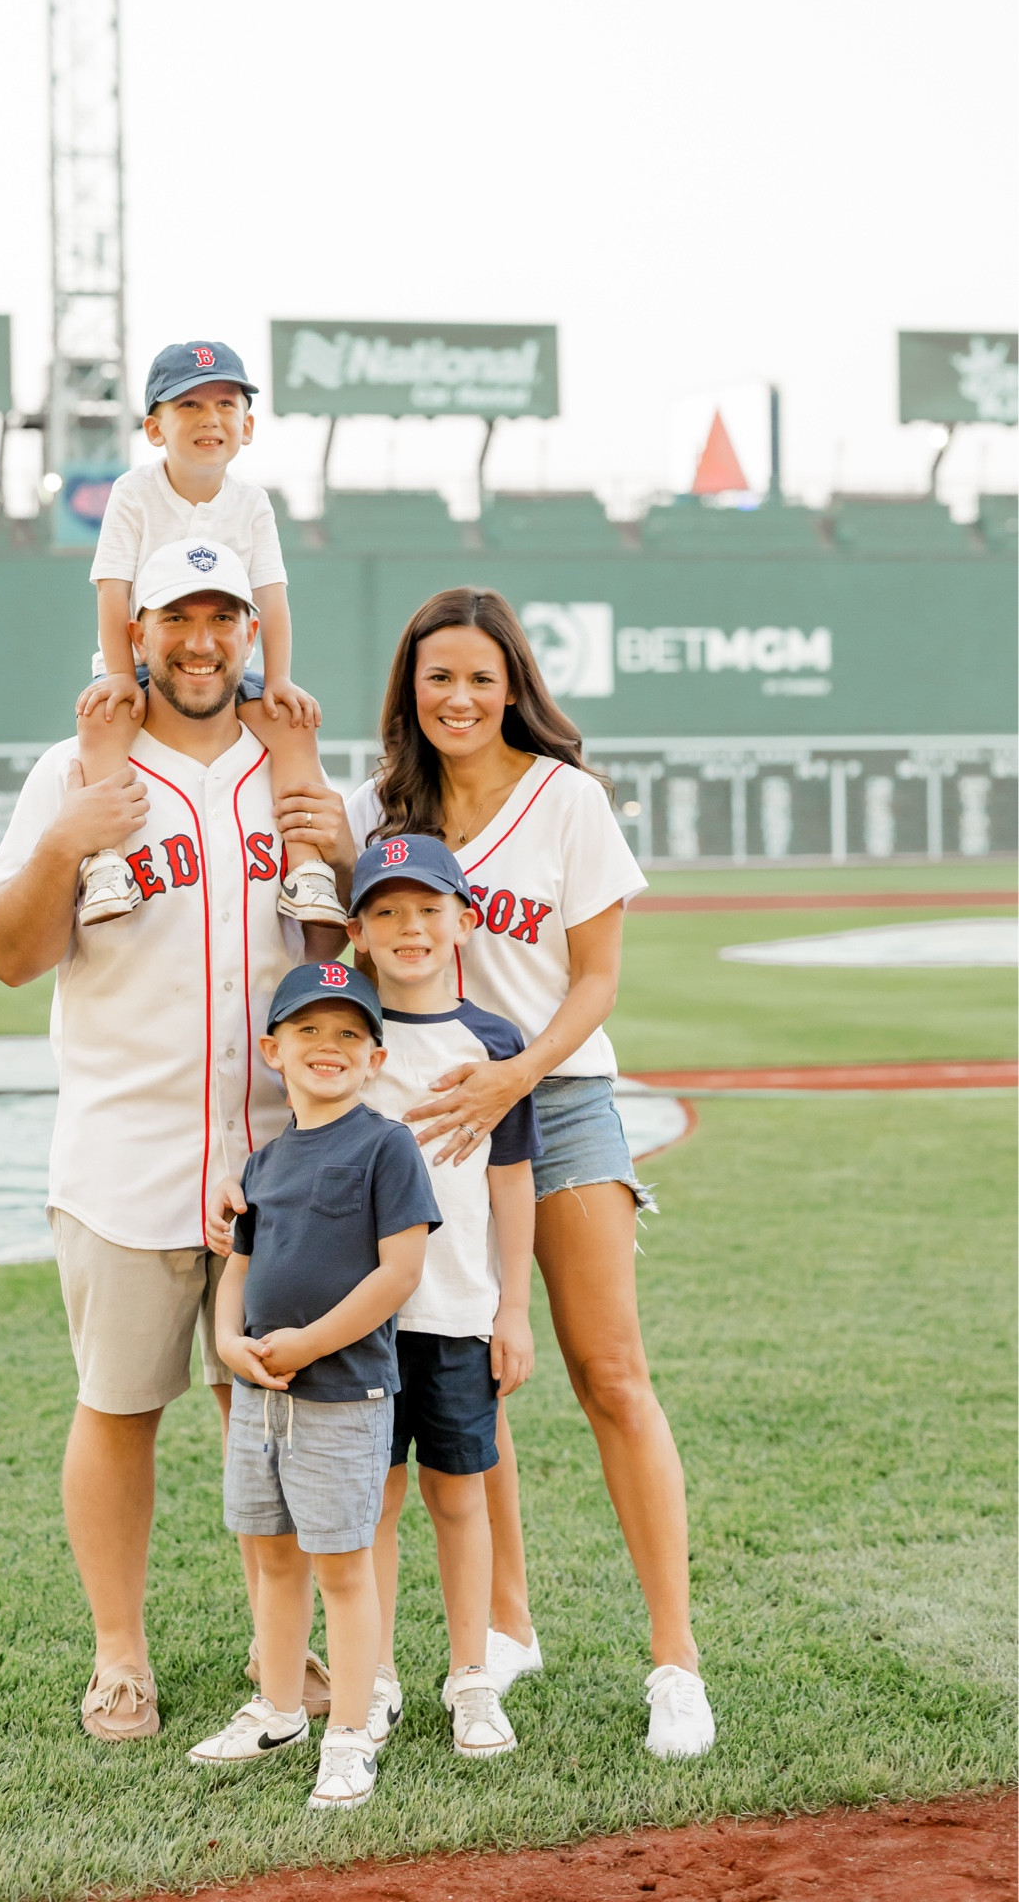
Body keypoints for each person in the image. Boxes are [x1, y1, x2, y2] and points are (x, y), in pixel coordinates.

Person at [0, 541, 353, 1746]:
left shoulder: (287, 773)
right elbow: (10, 952)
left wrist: (336, 849)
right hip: (124, 1152)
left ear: (250, 631)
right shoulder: (75, 769)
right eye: (175, 617)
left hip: (279, 1157)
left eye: (221, 616)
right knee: (118, 1404)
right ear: (136, 633)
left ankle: (274, 1637)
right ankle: (119, 1655)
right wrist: (60, 842)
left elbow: (339, 969)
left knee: (273, 1407)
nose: (199, 639)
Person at [345, 586, 716, 1760]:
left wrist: (518, 1076)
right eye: (436, 676)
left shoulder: (566, 799)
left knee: (610, 1370)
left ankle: (675, 1660)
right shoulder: (383, 808)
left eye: (480, 677)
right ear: (410, 687)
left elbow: (597, 982)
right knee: (467, 1364)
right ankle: (505, 1622)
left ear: (514, 687)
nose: (458, 698)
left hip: (553, 1095)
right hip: (432, 1107)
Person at [193, 962, 438, 1812]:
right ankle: (279, 1708)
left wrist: (311, 1342)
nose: (326, 1048)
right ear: (273, 1050)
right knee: (270, 1557)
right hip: (263, 1396)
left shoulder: (385, 1145)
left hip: (341, 1396)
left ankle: (352, 1731)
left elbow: (398, 1272)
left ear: (375, 1057)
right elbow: (241, 1265)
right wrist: (231, 1343)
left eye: (347, 1035)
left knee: (342, 1566)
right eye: (307, 1032)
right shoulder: (263, 1162)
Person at [348, 834, 539, 1761]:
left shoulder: (495, 1045)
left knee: (459, 1499)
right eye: (385, 910)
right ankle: (373, 1674)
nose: (409, 927)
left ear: (464, 919)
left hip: (461, 1311)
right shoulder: (345, 1033)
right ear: (358, 930)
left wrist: (513, 1309)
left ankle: (471, 1674)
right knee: (373, 1503)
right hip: (361, 1325)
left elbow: (511, 1182)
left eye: (428, 909)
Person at [72, 340, 344, 931]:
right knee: (106, 718)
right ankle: (106, 863)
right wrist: (121, 673)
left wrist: (278, 680)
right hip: (142, 656)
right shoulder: (133, 492)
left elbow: (271, 599)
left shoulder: (251, 503)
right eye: (188, 405)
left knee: (290, 721)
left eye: (225, 403)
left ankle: (307, 873)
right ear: (154, 427)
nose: (209, 418)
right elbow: (112, 591)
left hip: (222, 664)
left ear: (246, 426)